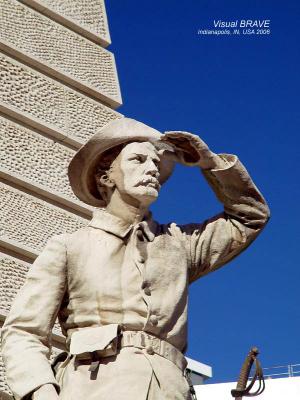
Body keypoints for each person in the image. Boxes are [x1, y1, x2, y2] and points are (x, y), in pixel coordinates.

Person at [1, 118, 270, 400]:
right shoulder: (70, 247)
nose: (152, 169)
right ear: (107, 177)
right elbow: (23, 331)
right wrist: (41, 391)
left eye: (156, 163)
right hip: (93, 388)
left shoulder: (179, 244)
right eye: (138, 160)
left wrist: (210, 163)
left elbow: (250, 217)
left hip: (170, 390)